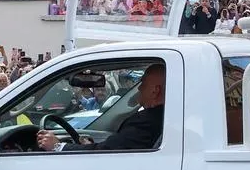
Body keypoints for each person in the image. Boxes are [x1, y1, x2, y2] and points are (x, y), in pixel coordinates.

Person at [37, 64, 165, 152]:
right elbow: (114, 147)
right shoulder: (160, 118)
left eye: (143, 83)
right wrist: (91, 146)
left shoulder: (145, 122)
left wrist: (58, 146)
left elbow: (107, 152)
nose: (139, 88)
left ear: (155, 91)